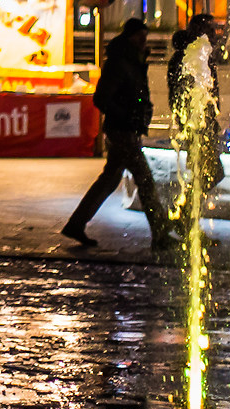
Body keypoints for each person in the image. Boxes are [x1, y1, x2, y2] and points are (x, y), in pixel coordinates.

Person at [62, 17, 175, 249]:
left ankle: (76, 223)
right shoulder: (120, 62)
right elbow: (102, 97)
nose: (144, 41)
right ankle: (161, 234)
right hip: (123, 130)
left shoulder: (133, 61)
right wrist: (126, 116)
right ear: (131, 37)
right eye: (141, 37)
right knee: (145, 181)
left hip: (127, 128)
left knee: (109, 180)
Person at [168, 13, 224, 194]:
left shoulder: (201, 54)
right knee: (208, 170)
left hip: (201, 121)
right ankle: (188, 208)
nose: (214, 33)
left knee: (205, 170)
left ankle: (189, 208)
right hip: (196, 122)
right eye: (210, 28)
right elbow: (179, 91)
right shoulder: (190, 56)